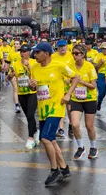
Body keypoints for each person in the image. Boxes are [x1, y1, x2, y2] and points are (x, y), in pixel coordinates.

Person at [29, 42, 78, 186]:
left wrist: (68, 94)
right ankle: (64, 168)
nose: (35, 55)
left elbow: (75, 77)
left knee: (45, 138)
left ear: (46, 53)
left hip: (56, 108)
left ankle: (54, 170)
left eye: (38, 53)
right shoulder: (35, 67)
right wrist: (32, 85)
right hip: (43, 108)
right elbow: (36, 86)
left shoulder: (59, 65)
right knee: (52, 140)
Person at [69, 44, 98, 160]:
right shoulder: (70, 66)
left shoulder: (89, 66)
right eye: (73, 53)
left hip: (89, 98)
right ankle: (81, 147)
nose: (74, 56)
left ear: (83, 54)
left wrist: (81, 81)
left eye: (76, 54)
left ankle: (93, 147)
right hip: (76, 98)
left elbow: (93, 86)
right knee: (74, 124)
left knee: (89, 126)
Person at [11, 44, 39, 149]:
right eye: (21, 51)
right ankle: (35, 131)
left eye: (25, 51)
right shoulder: (15, 64)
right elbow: (11, 75)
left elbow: (36, 75)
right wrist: (10, 75)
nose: (23, 54)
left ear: (29, 52)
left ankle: (30, 138)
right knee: (28, 116)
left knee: (31, 115)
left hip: (32, 92)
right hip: (21, 93)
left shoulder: (34, 62)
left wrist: (28, 66)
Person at [52, 39, 75, 137]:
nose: (62, 48)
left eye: (64, 46)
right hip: (58, 85)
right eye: (60, 47)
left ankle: (70, 125)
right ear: (57, 48)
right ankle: (60, 128)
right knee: (60, 106)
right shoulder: (53, 57)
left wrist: (70, 79)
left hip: (69, 86)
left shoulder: (72, 56)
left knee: (69, 108)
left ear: (67, 46)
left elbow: (75, 70)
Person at [93, 42, 106, 116]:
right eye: (104, 49)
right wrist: (100, 63)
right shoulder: (98, 56)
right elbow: (95, 67)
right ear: (102, 49)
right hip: (101, 76)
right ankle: (99, 103)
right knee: (102, 93)